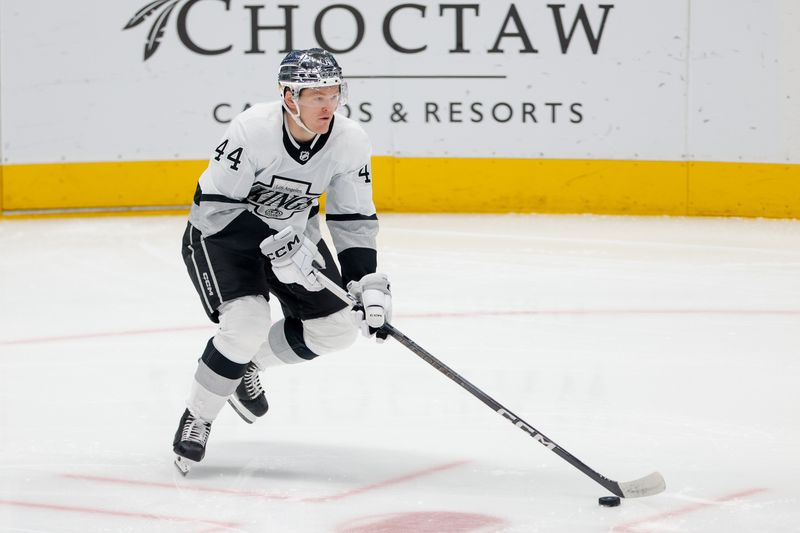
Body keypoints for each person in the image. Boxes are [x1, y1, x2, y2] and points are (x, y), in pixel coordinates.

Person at [173, 48, 392, 470]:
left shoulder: (351, 141)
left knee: (337, 328)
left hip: (295, 241)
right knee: (246, 324)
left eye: (334, 94)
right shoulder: (253, 130)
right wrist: (275, 243)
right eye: (316, 97)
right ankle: (198, 416)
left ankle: (245, 368)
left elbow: (353, 219)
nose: (328, 105)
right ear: (290, 97)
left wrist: (365, 286)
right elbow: (213, 210)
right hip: (223, 239)